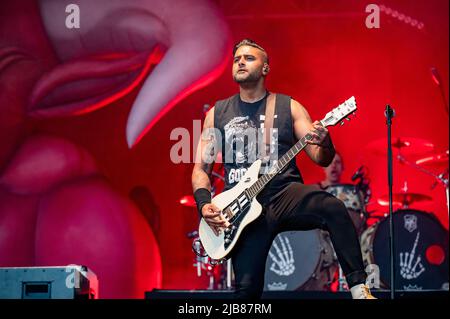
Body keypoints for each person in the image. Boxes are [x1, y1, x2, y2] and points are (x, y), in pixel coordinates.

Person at [191, 39, 375, 299]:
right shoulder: (217, 113)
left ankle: (359, 289)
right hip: (240, 208)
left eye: (249, 58)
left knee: (333, 208)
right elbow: (201, 169)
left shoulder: (288, 107)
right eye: (236, 59)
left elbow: (320, 158)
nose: (240, 61)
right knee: (246, 291)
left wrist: (326, 141)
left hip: (283, 193)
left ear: (265, 68)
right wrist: (203, 204)